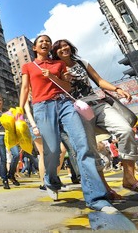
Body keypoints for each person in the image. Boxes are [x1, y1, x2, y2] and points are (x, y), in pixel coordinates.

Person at [19, 35, 117, 213]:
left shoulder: (58, 64)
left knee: (83, 145)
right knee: (53, 151)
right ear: (34, 48)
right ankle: (50, 179)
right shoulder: (28, 66)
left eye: (48, 41)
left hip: (65, 103)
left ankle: (96, 198)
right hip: (42, 107)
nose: (45, 43)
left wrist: (54, 77)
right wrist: (20, 110)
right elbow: (25, 89)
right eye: (41, 41)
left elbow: (68, 87)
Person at [52, 38, 138, 196]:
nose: (64, 48)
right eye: (59, 47)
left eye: (66, 45)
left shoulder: (82, 62)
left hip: (97, 104)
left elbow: (99, 80)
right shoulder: (56, 68)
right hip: (77, 110)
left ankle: (129, 177)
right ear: (55, 53)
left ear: (71, 47)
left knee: (125, 130)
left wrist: (117, 89)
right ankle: (106, 189)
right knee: (91, 149)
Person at [0, 94, 20, 189]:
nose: (0, 102)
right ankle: (5, 179)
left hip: (9, 136)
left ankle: (11, 174)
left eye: (1, 99)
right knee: (3, 158)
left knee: (16, 154)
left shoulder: (6, 112)